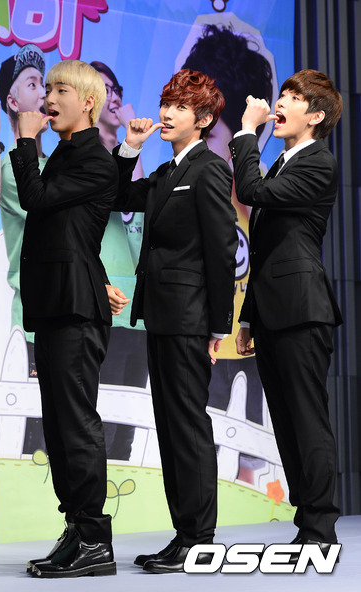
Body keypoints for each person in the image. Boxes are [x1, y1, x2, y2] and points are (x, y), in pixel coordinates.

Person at [109, 69, 237, 573]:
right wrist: (129, 148)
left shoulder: (210, 169)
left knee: (187, 425)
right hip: (160, 315)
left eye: (180, 106)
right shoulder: (165, 171)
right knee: (169, 426)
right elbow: (118, 197)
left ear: (203, 119)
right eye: (166, 103)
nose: (166, 113)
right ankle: (184, 534)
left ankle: (199, 539)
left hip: (190, 318)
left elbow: (221, 250)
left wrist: (219, 326)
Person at [9, 59, 118, 578]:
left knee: (75, 423)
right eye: (46, 89)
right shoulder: (65, 154)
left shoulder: (94, 159)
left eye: (60, 90)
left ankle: (94, 538)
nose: (48, 99)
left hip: (76, 309)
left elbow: (35, 200)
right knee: (57, 427)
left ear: (88, 103)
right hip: (57, 306)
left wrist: (24, 141)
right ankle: (76, 527)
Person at [231, 69, 343, 558]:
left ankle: (320, 526)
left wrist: (244, 132)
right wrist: (248, 318)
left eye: (292, 97)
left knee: (306, 419)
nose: (279, 103)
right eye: (282, 94)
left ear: (315, 116)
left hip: (302, 309)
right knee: (285, 420)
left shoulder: (319, 162)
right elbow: (265, 249)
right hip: (274, 312)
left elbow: (251, 193)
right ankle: (307, 522)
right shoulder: (282, 162)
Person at [182, 25, 273, 465]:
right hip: (200, 345)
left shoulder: (260, 192)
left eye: (210, 133)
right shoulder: (182, 184)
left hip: (250, 349)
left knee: (251, 464)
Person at [90, 60, 148, 461]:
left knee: (128, 422)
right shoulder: (87, 157)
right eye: (104, 90)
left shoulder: (130, 153)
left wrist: (132, 143)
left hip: (138, 310)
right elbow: (115, 192)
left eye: (117, 90)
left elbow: (138, 197)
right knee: (103, 414)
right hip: (105, 303)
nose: (113, 98)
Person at [0, 43, 47, 453]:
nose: (44, 93)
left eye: (45, 83)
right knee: (37, 438)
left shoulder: (58, 162)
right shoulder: (13, 164)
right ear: (12, 103)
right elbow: (51, 217)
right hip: (35, 314)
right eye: (32, 84)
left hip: (65, 310)